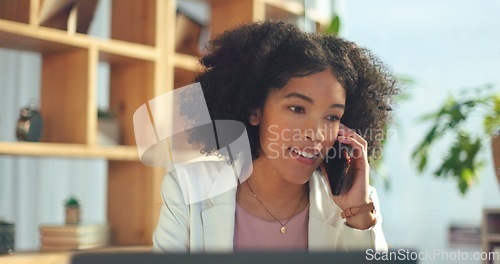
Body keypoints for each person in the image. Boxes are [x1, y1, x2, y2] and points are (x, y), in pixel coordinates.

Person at [152, 21, 398, 253]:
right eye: (297, 109)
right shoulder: (188, 190)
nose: (316, 134)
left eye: (332, 117)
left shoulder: (356, 204)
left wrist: (359, 215)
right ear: (254, 110)